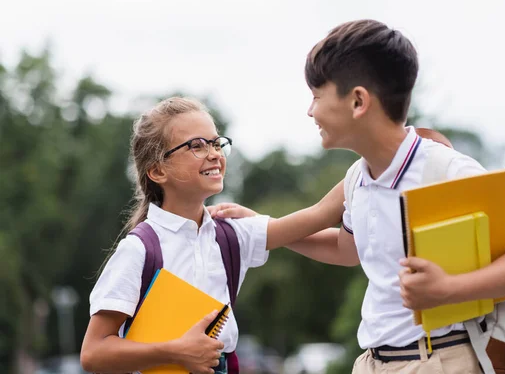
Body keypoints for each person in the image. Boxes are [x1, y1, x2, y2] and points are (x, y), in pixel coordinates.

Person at [211, 19, 505, 373]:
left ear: (358, 101)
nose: (310, 110)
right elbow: (345, 250)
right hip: (373, 362)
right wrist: (264, 228)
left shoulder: (447, 171)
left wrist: (448, 289)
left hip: (438, 359)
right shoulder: (357, 180)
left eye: (317, 96)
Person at [80, 97, 343, 374]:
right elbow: (93, 353)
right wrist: (177, 351)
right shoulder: (140, 249)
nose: (215, 153)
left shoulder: (231, 233)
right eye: (197, 145)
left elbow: (320, 216)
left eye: (217, 143)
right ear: (158, 170)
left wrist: (376, 156)